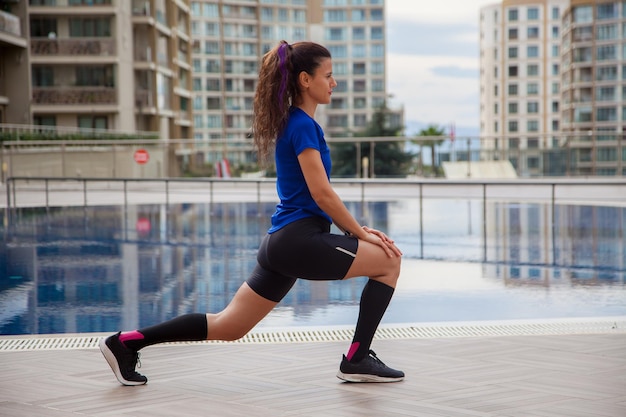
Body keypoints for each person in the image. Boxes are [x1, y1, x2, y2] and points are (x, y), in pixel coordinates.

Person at [99, 40, 404, 385]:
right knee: (388, 261)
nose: (334, 83)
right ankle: (357, 358)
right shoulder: (303, 125)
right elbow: (321, 193)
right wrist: (361, 233)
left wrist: (353, 231)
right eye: (329, 75)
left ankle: (125, 343)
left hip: (281, 242)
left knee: (229, 325)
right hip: (298, 240)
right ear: (305, 80)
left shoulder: (294, 122)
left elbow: (316, 194)